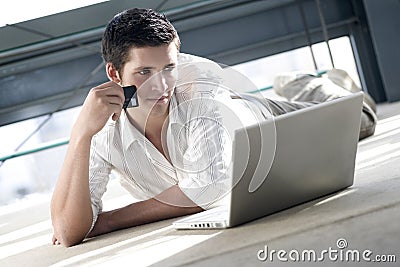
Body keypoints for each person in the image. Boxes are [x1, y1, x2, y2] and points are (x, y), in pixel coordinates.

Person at [50, 8, 377, 247]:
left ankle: (310, 85)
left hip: (262, 118)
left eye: (169, 67)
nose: (161, 84)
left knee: (358, 119)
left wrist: (106, 221)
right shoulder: (102, 126)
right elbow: (68, 232)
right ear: (114, 73)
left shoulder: (201, 86)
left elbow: (205, 191)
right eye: (144, 72)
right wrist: (80, 135)